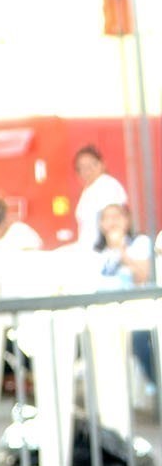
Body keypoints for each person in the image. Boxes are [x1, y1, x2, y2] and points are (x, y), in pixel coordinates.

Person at [94, 203, 156, 384]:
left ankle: (156, 385)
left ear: (128, 220)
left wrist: (121, 251)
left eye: (117, 216)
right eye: (107, 217)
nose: (112, 222)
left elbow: (143, 276)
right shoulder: (97, 253)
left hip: (137, 310)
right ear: (101, 224)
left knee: (139, 340)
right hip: (104, 313)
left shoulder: (140, 243)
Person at [72, 144, 128, 248]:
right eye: (81, 168)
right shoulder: (88, 189)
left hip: (103, 249)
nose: (87, 171)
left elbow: (114, 224)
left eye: (91, 165)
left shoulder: (108, 186)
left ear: (102, 164)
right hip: (86, 248)